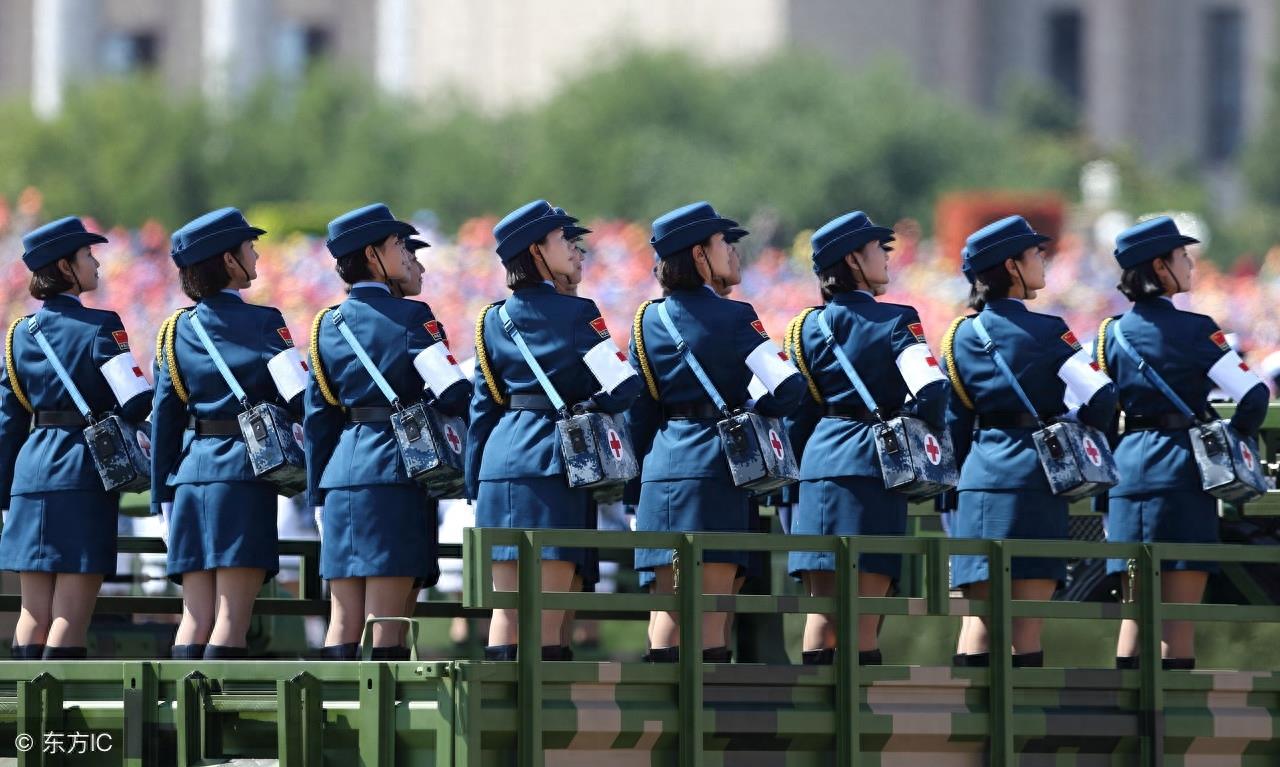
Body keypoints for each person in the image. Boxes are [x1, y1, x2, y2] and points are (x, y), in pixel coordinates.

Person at [628, 201, 805, 662]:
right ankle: (705, 728)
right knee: (712, 617)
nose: (734, 252)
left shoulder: (646, 319)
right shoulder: (735, 316)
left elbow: (639, 414)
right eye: (724, 243)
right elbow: (788, 387)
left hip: (661, 469)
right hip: (718, 471)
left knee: (664, 613)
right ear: (699, 256)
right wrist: (749, 409)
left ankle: (657, 726)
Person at [940, 215, 1117, 668]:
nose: (1044, 260)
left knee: (976, 622)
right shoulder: (1048, 330)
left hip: (978, 480)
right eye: (1036, 253)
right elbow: (1102, 396)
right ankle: (1013, 733)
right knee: (1026, 625)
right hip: (1037, 480)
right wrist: (1072, 424)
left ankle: (967, 730)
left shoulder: (958, 334)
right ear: (1012, 267)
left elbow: (955, 422)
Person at [468, 199, 641, 661]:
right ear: (536, 252)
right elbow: (625, 385)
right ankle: (539, 727)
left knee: (507, 611)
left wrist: (472, 482)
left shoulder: (492, 317)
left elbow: (484, 407)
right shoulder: (578, 312)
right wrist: (589, 407)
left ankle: (499, 721)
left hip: (500, 464)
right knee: (551, 617)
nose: (576, 247)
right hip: (555, 463)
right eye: (565, 239)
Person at [1096, 216, 1269, 670]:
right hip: (1184, 474)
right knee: (1178, 621)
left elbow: (1093, 406)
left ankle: (1126, 732)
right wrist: (1232, 439)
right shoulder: (1196, 329)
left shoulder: (1108, 333)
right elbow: (1253, 394)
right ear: (1160, 266)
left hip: (1127, 473)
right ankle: (1170, 734)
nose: (1190, 264)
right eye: (1182, 256)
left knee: (1133, 618)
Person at [305, 204, 469, 661]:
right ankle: (379, 729)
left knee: (341, 622)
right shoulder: (414, 318)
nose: (406, 252)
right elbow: (454, 392)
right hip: (397, 474)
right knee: (388, 627)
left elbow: (319, 417)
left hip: (341, 475)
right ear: (374, 256)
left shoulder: (326, 324)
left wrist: (317, 496)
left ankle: (334, 719)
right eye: (398, 245)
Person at [784, 211, 950, 665]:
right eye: (880, 249)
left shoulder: (805, 327)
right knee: (863, 617)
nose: (887, 257)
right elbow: (933, 389)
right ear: (855, 260)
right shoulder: (897, 320)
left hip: (819, 466)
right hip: (874, 466)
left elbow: (798, 412)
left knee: (821, 615)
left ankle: (815, 724)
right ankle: (858, 727)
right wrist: (912, 422)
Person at [151, 207, 308, 659]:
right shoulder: (264, 323)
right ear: (228, 260)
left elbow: (166, 419)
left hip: (189, 478)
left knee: (194, 618)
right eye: (247, 246)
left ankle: (178, 724)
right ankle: (214, 727)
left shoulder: (175, 328)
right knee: (231, 620)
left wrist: (162, 496)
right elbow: (300, 398)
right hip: (243, 475)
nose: (255, 253)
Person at [0, 217, 151, 659]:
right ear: (66, 267)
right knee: (70, 614)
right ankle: (55, 724)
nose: (96, 263)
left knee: (33, 613)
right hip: (83, 472)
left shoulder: (18, 336)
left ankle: (22, 722)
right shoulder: (102, 326)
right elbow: (136, 402)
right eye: (87, 256)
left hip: (31, 475)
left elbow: (7, 423)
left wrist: (6, 493)